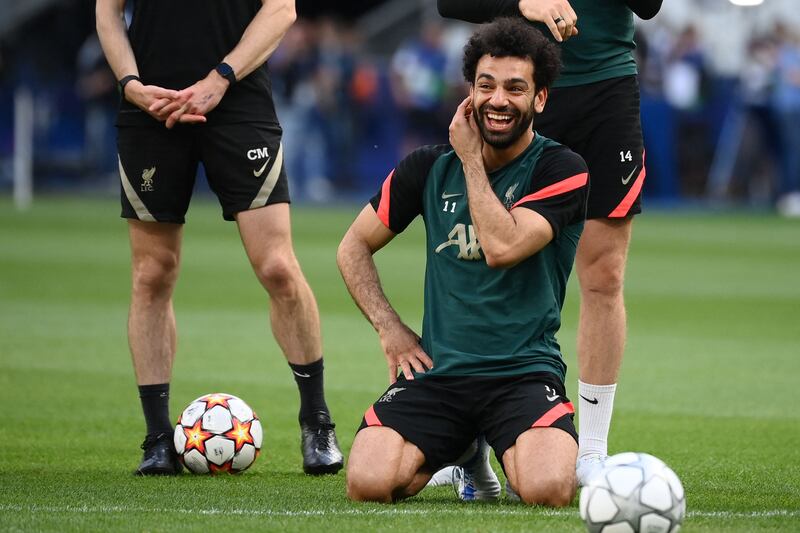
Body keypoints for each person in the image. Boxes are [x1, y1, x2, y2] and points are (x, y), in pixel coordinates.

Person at [338, 18, 588, 505]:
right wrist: (389, 327)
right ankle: (465, 451)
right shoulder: (428, 166)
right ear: (468, 92)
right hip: (439, 373)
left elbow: (502, 247)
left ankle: (494, 446)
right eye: (485, 85)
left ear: (540, 99)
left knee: (546, 489)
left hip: (523, 373)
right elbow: (352, 246)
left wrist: (472, 160)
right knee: (368, 483)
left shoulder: (561, 169)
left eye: (515, 88)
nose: (497, 100)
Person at [95, 0, 343, 476]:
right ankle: (156, 440)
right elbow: (108, 15)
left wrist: (219, 79)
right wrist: (131, 86)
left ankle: (317, 422)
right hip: (152, 106)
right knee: (152, 274)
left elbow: (282, 10)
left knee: (277, 266)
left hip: (238, 99)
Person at [437, 0, 663, 486]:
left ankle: (592, 452)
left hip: (605, 89)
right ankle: (466, 446)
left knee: (604, 274)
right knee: (488, 257)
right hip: (515, 89)